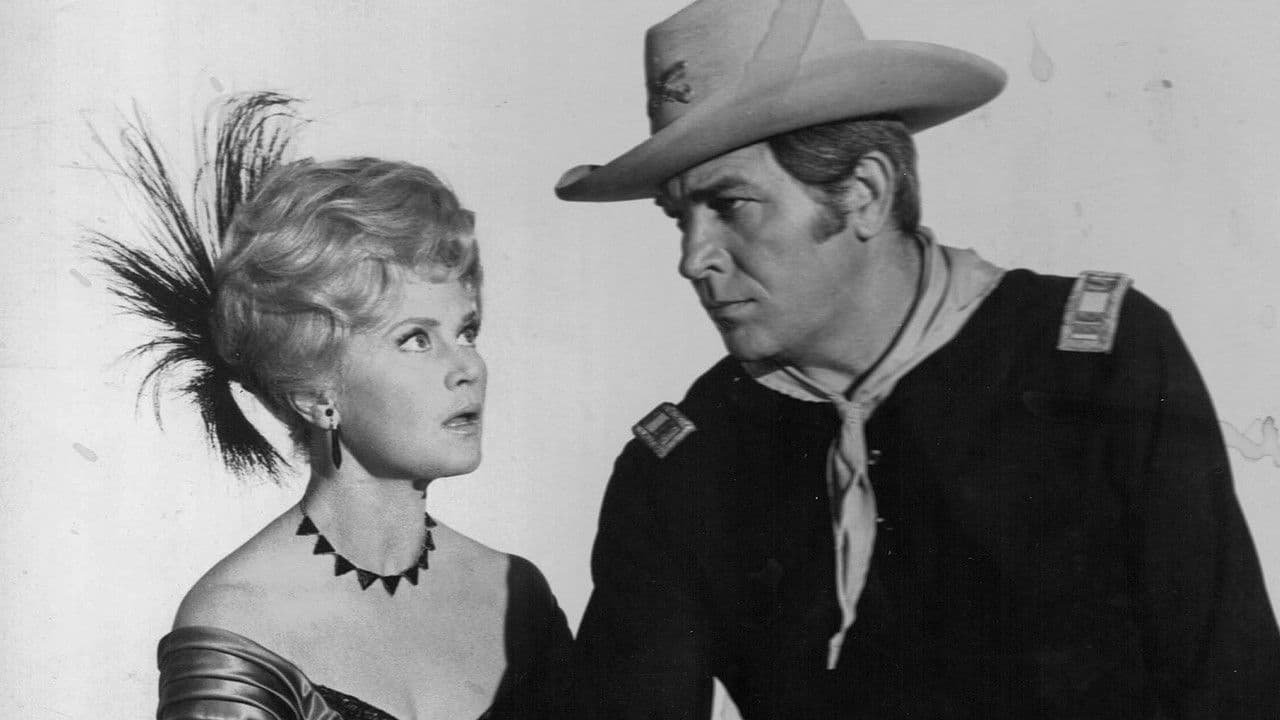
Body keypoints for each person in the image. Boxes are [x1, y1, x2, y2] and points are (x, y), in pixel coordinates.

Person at [554, 1, 1280, 718]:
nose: (694, 258)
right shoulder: (682, 465)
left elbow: (1233, 686)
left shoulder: (1094, 360)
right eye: (679, 218)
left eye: (730, 205)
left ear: (865, 193)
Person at [91, 93, 570, 720]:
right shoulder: (238, 620)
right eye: (416, 339)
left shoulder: (518, 596)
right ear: (316, 396)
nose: (468, 367)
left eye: (468, 331)